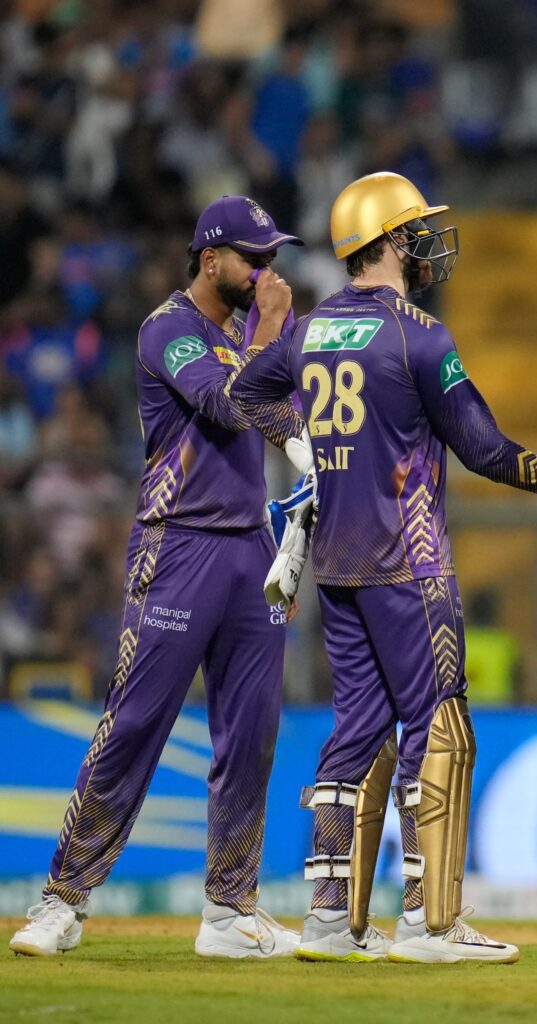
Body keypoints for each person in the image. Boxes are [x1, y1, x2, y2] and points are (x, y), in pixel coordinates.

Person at [229, 171, 537, 964]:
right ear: (387, 241)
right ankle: (432, 923)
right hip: (410, 561)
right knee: (440, 730)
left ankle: (326, 916)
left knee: (353, 731)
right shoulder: (419, 334)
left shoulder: (313, 330)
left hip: (338, 564)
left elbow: (247, 392)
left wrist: (302, 447)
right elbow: (487, 450)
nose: (425, 244)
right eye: (415, 231)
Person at [9, 196, 310, 959]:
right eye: (254, 257)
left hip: (251, 547)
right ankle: (61, 901)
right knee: (136, 722)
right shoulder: (167, 328)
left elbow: (280, 416)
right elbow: (227, 404)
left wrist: (307, 475)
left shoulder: (251, 331)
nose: (266, 271)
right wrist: (274, 335)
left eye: (272, 257)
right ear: (211, 258)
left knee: (252, 734)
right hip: (177, 546)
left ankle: (230, 912)